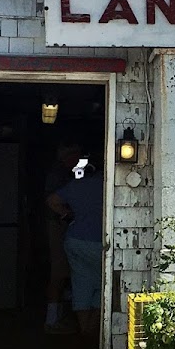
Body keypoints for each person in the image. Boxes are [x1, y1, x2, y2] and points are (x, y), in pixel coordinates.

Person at [46, 155, 105, 336]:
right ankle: (90, 329)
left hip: (74, 241)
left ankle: (83, 327)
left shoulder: (75, 185)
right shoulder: (108, 185)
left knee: (81, 283)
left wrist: (66, 215)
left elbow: (51, 200)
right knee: (103, 283)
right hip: (98, 242)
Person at [43, 142, 80, 333]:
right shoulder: (59, 175)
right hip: (57, 226)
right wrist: (67, 214)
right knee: (58, 272)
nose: (77, 160)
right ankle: (51, 321)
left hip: (61, 227)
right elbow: (52, 201)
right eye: (75, 155)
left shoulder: (62, 173)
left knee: (63, 272)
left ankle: (57, 317)